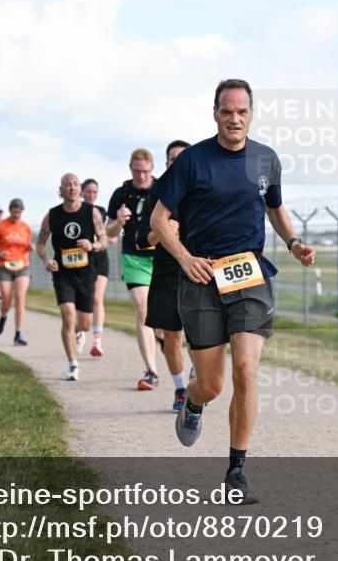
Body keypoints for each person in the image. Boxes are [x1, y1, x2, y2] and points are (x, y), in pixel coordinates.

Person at [151, 79, 316, 503]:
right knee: (212, 384)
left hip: (249, 275)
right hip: (202, 277)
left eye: (242, 111)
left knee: (246, 370)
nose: (235, 119)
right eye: (227, 111)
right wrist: (186, 258)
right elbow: (158, 219)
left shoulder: (265, 159)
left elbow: (274, 207)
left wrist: (293, 241)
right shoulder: (192, 161)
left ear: (252, 114)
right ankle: (192, 400)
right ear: (215, 113)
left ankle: (236, 471)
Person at [36, 173, 108, 381]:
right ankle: (72, 363)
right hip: (63, 274)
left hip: (86, 273)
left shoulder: (91, 212)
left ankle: (79, 332)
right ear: (61, 190)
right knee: (68, 316)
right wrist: (47, 260)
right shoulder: (52, 215)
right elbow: (40, 244)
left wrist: (92, 245)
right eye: (68, 185)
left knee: (84, 324)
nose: (72, 188)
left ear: (80, 188)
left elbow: (103, 240)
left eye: (76, 184)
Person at [141, 139, 192, 411]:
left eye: (184, 158)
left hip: (199, 271)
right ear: (167, 164)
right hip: (166, 272)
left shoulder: (203, 191)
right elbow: (142, 238)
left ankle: (199, 374)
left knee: (199, 336)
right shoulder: (156, 194)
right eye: (174, 159)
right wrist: (160, 232)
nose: (179, 163)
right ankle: (181, 388)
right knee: (172, 336)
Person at [106, 148, 162, 390]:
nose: (141, 176)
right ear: (131, 169)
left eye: (146, 171)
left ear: (152, 169)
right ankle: (151, 369)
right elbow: (108, 232)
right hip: (134, 256)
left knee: (162, 318)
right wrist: (119, 220)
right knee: (143, 308)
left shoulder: (163, 189)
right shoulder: (121, 193)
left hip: (161, 256)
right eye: (137, 171)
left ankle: (160, 337)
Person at [0, 198, 33, 345]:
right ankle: (3, 315)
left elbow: (27, 244)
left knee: (20, 297)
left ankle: (18, 334)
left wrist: (30, 247)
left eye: (19, 213)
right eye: (14, 213)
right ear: (10, 211)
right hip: (4, 266)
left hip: (22, 265)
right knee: (7, 300)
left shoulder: (26, 227)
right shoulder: (1, 226)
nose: (17, 216)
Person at [80, 178, 115, 357]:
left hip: (100, 257)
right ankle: (80, 330)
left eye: (94, 192)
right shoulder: (75, 211)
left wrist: (111, 236)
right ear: (81, 192)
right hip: (82, 260)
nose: (91, 195)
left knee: (96, 298)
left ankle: (97, 342)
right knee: (83, 299)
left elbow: (109, 232)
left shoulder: (100, 211)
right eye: (88, 191)